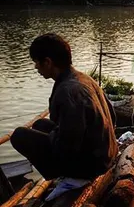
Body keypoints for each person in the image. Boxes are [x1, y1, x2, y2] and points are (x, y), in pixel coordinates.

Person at [11, 33, 118, 181]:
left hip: (93, 166)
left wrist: (53, 138)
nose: (36, 67)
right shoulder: (83, 78)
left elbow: (68, 147)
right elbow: (112, 118)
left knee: (19, 136)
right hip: (105, 154)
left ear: (47, 62)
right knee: (39, 124)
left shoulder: (67, 91)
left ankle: (64, 177)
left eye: (36, 62)